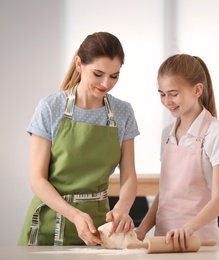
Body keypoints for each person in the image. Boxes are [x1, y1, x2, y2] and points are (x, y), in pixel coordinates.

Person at [18, 32, 140, 246]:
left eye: (114, 76)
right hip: (48, 223)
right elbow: (37, 179)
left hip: (98, 228)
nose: (106, 83)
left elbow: (129, 174)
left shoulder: (123, 112)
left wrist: (122, 207)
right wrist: (74, 215)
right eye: (98, 74)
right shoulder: (50, 107)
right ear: (79, 64)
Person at [135, 54, 219, 250]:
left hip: (200, 241)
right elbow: (165, 193)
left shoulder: (218, 133)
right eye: (162, 94)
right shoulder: (167, 134)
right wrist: (141, 230)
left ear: (197, 90)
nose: (167, 101)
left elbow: (218, 202)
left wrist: (188, 228)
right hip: (162, 241)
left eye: (173, 93)